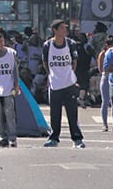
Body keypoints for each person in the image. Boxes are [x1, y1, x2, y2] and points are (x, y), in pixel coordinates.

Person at [42, 19, 85, 148]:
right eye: (61, 28)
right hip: (55, 84)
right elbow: (45, 63)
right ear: (55, 30)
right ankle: (54, 138)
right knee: (55, 113)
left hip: (69, 84)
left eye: (65, 28)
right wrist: (52, 75)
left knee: (72, 112)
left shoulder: (70, 44)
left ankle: (77, 139)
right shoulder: (47, 45)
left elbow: (74, 61)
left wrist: (69, 75)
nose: (64, 30)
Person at [0, 32, 19, 147]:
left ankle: (12, 137)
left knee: (10, 112)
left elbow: (15, 70)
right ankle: (2, 137)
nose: (2, 44)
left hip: (9, 87)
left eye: (3, 41)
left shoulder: (11, 53)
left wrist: (16, 85)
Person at [97, 35, 113, 132]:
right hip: (105, 77)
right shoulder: (103, 54)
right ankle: (104, 124)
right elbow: (101, 68)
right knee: (105, 101)